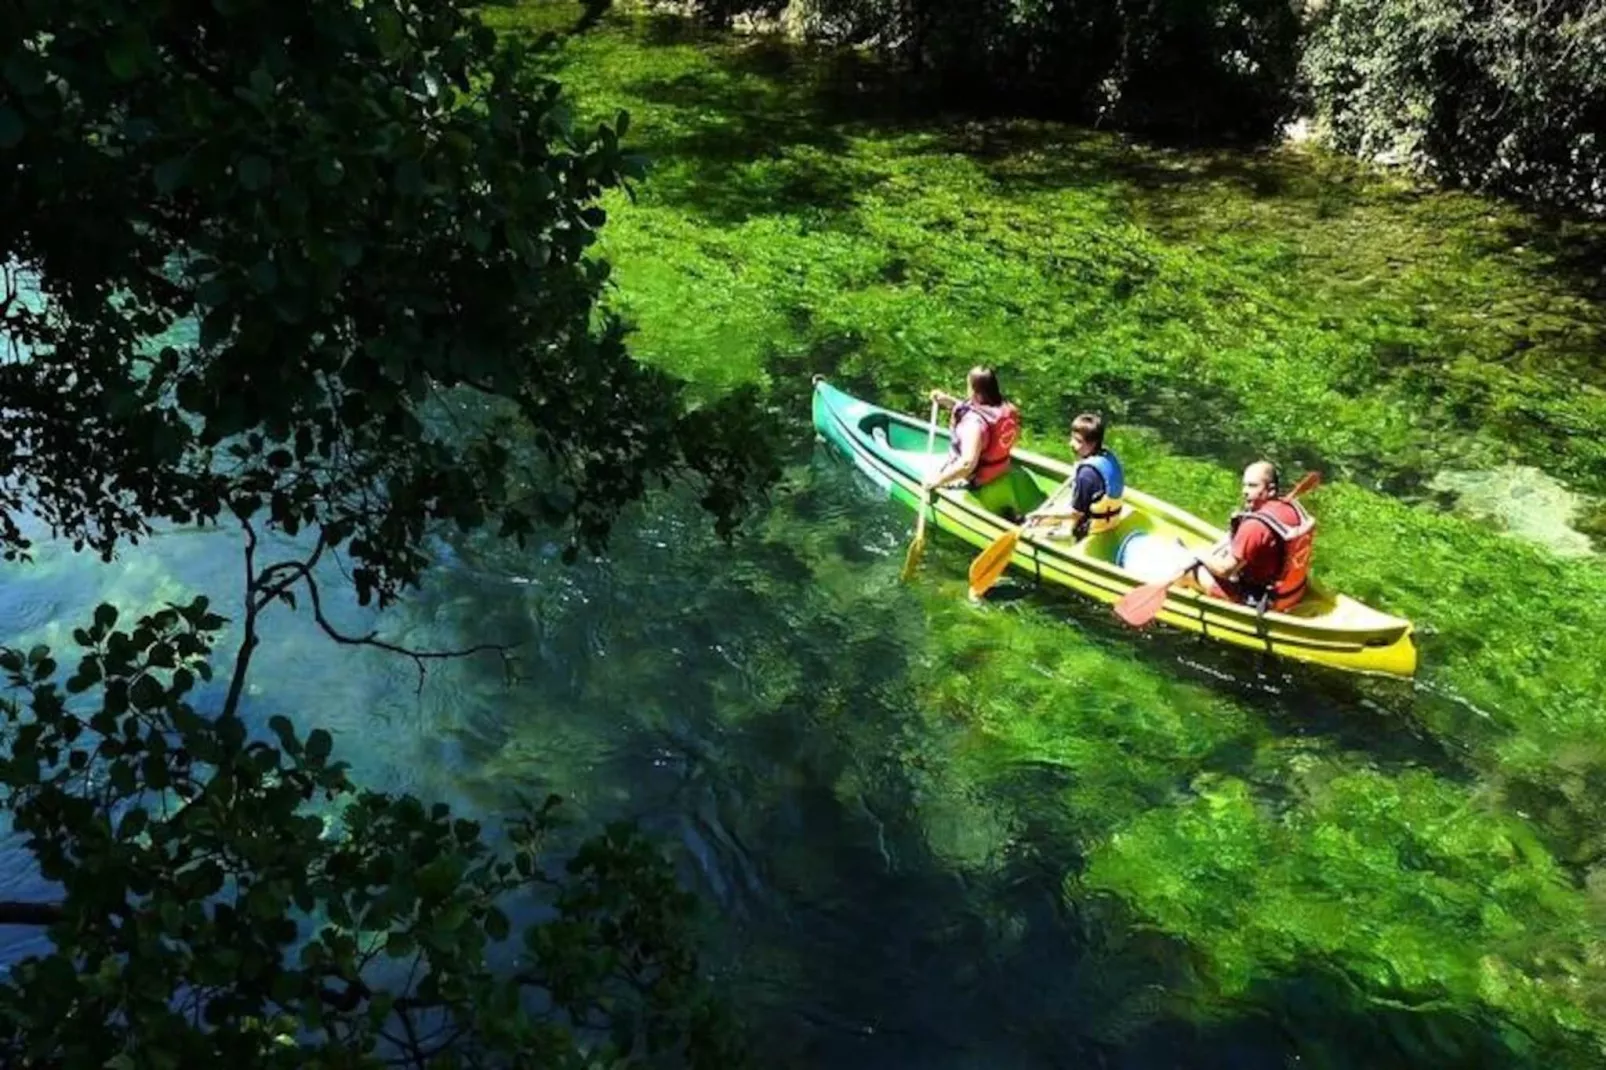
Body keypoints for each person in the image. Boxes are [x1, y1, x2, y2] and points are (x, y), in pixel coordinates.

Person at [1190, 460, 1315, 612]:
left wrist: (1197, 554)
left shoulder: (1254, 526)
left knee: (1191, 571)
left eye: (1252, 486)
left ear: (1271, 490)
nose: (1245, 491)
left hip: (1262, 601)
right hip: (1294, 593)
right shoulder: (1292, 507)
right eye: (1244, 485)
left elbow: (1225, 570)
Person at [920, 366, 1022, 514]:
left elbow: (967, 464)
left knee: (938, 474)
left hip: (974, 478)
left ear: (974, 390)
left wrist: (937, 481)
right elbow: (974, 409)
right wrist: (947, 401)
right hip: (1000, 468)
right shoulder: (1009, 409)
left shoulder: (973, 424)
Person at [1023, 412, 1125, 540]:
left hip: (1088, 529)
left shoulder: (1087, 474)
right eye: (1072, 438)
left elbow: (1075, 514)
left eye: (1078, 441)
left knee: (1037, 523)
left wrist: (1041, 514)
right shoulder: (1107, 457)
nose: (1071, 444)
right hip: (1110, 522)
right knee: (1055, 509)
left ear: (1092, 443)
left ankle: (1023, 524)